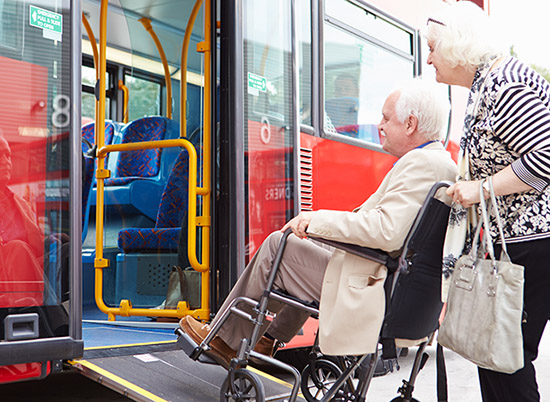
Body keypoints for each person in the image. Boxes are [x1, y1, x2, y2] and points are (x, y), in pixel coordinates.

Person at [179, 79, 457, 368]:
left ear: (410, 124)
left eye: (386, 118)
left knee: (280, 245)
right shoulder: (439, 163)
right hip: (393, 286)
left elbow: (385, 231)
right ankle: (266, 340)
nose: (380, 125)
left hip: (375, 291)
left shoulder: (422, 163)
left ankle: (225, 340)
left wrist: (315, 219)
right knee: (301, 246)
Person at [426, 2, 550, 401]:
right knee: (491, 353)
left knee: (507, 357)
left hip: (532, 244)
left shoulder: (506, 84)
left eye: (433, 48)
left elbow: (545, 157)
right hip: (514, 244)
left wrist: (481, 189)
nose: (428, 58)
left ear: (456, 46)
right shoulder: (486, 84)